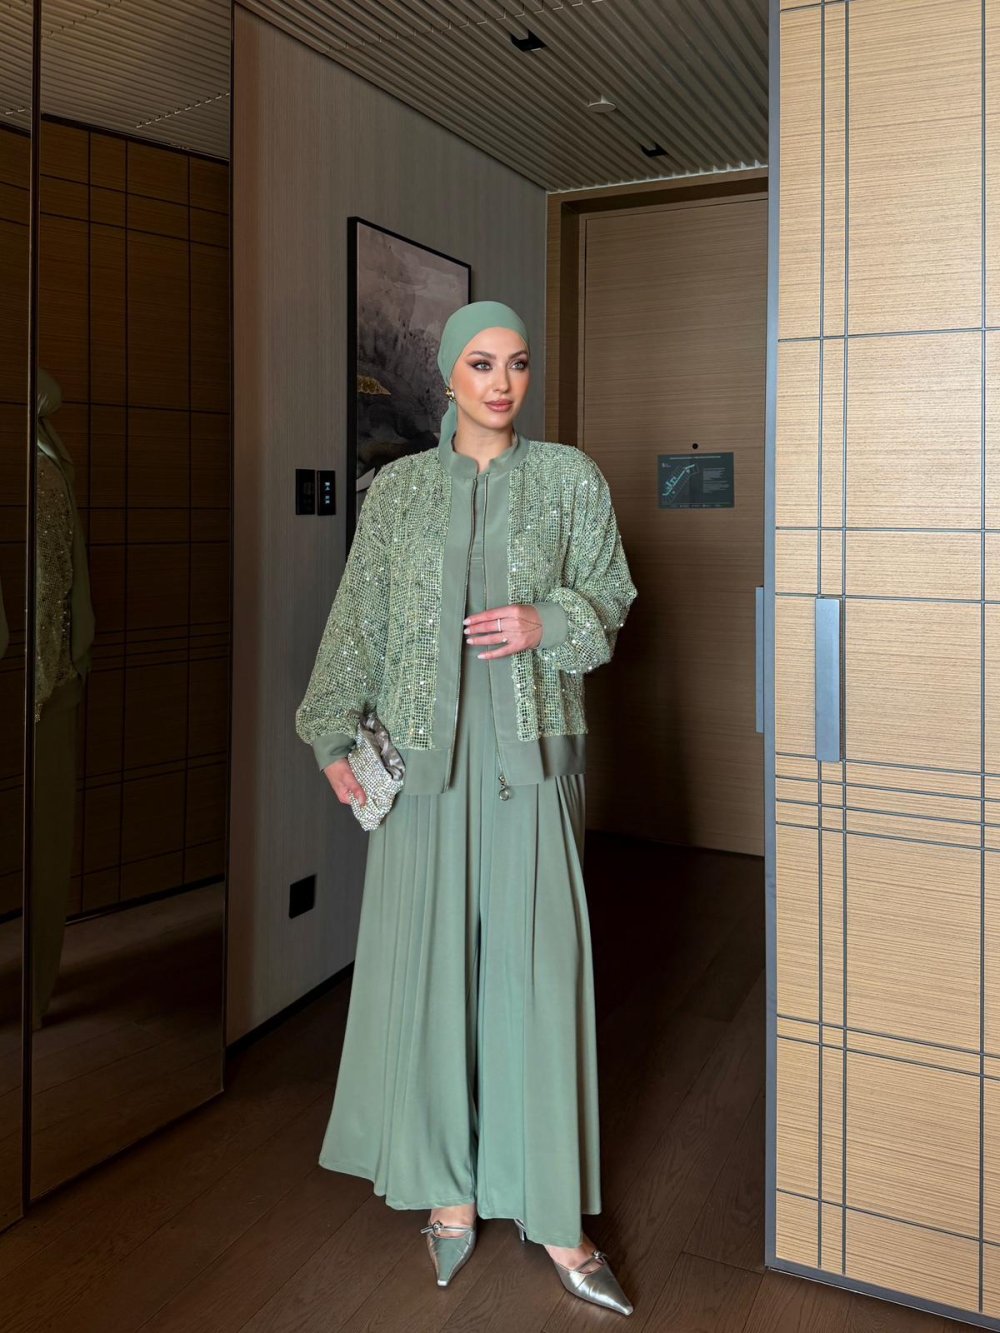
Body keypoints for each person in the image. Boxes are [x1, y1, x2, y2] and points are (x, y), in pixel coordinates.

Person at [295, 300, 637, 1315]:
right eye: (481, 364)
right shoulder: (398, 493)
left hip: (529, 765)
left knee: (538, 980)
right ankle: (447, 1195)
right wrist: (330, 735)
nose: (501, 383)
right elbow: (358, 621)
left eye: (517, 364)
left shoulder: (570, 479)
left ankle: (556, 1217)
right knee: (432, 976)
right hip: (423, 774)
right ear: (448, 375)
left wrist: (547, 620)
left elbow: (611, 600)